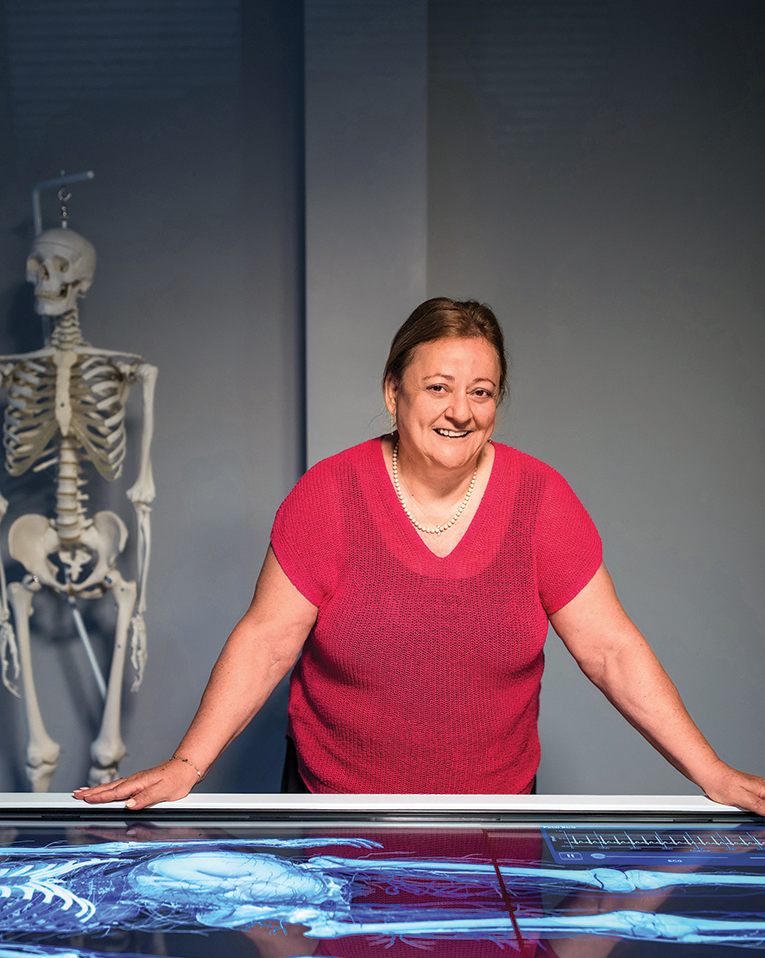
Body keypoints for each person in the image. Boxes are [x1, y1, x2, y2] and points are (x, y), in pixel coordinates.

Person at [75, 298, 765, 814]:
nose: (460, 411)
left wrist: (711, 772)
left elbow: (611, 649)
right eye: (438, 387)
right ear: (392, 392)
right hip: (332, 824)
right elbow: (266, 642)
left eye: (481, 391)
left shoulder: (541, 499)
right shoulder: (329, 494)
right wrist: (187, 765)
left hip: (495, 829)